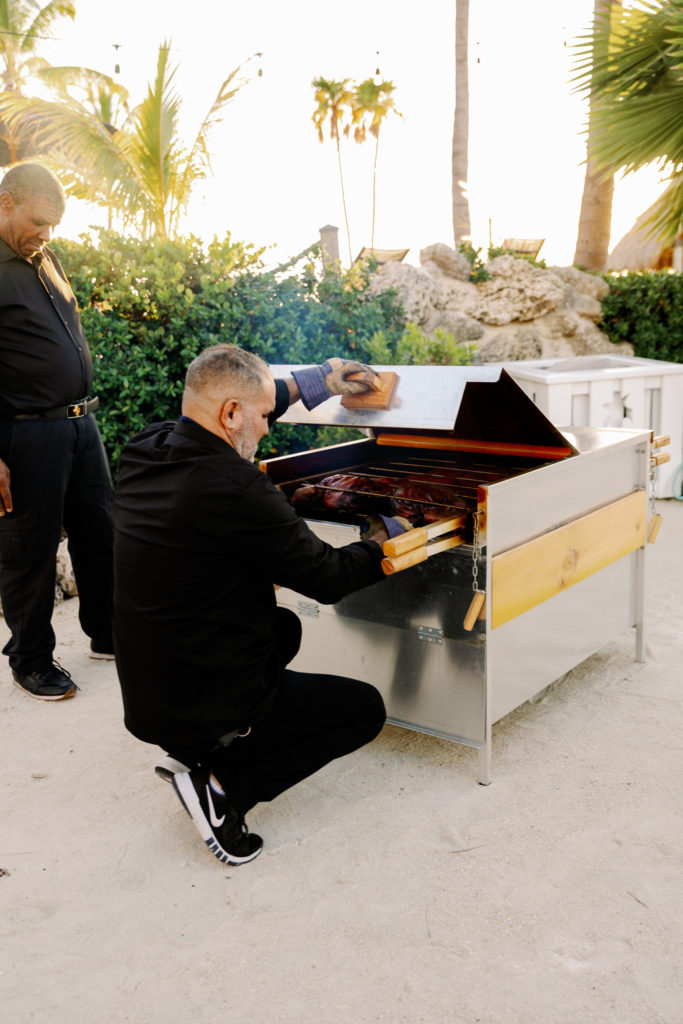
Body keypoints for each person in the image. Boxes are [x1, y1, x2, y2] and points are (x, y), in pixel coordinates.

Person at [113, 344, 408, 865]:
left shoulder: (146, 448)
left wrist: (320, 380)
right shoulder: (235, 487)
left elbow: (248, 399)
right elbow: (328, 577)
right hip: (200, 699)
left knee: (284, 629)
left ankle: (201, 749)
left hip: (149, 690)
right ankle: (226, 789)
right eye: (265, 416)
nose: (269, 428)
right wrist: (387, 540)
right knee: (364, 711)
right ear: (230, 413)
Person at [0, 163, 114, 702]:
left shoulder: (44, 257)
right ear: (6, 203)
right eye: (39, 222)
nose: (47, 234)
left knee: (100, 533)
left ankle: (108, 633)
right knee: (30, 549)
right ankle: (30, 660)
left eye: (54, 226)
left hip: (79, 425)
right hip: (26, 435)